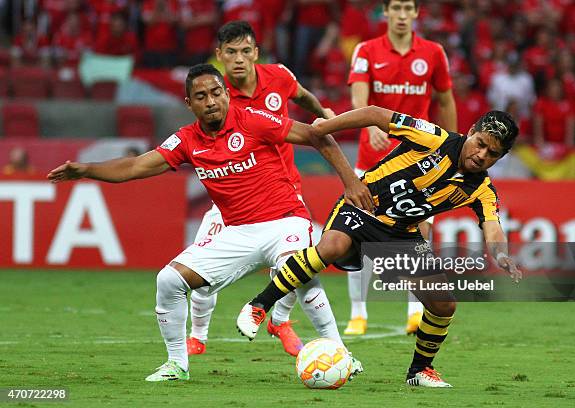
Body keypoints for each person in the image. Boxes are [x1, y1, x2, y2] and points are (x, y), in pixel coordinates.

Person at [47, 63, 372, 382]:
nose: (211, 100)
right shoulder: (187, 140)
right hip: (237, 232)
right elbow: (134, 167)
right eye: (201, 96)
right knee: (168, 280)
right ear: (190, 103)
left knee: (299, 273)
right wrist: (86, 170)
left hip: (285, 221)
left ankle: (340, 352)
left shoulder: (254, 120)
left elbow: (317, 136)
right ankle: (177, 364)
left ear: (227, 95)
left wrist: (351, 182)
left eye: (216, 92)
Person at [237, 106, 522, 388]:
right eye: (481, 143)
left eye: (492, 153)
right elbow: (374, 113)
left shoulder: (482, 189)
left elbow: (493, 226)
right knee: (332, 246)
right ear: (471, 131)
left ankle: (420, 370)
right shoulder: (433, 138)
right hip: (363, 206)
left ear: (501, 157)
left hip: (401, 234)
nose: (482, 155)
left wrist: (501, 254)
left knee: (443, 304)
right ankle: (258, 306)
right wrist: (326, 126)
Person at [186, 21, 337, 358]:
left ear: (255, 52)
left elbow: (302, 95)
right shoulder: (215, 94)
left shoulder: (278, 77)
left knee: (294, 266)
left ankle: (279, 320)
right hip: (231, 198)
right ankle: (197, 336)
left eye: (244, 51)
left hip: (281, 191)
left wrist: (322, 112)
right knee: (199, 267)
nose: (238, 59)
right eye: (230, 53)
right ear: (219, 56)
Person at [345, 0, 457, 335]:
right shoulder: (366, 50)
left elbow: (446, 99)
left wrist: (453, 148)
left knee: (419, 235)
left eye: (409, 8)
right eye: (397, 7)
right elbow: (358, 99)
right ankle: (358, 314)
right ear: (386, 12)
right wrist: (370, 125)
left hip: (421, 165)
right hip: (372, 161)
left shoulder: (434, 52)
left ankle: (413, 312)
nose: (403, 14)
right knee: (358, 237)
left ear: (417, 12)